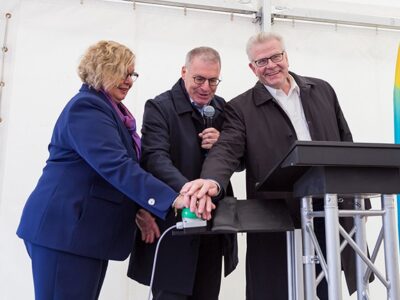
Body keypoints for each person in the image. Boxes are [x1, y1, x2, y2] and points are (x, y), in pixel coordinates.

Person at [182, 32, 365, 300]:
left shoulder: (322, 89)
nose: (270, 65)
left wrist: (354, 185)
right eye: (261, 61)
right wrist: (211, 181)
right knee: (276, 286)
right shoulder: (240, 107)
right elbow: (227, 149)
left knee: (327, 284)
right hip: (278, 210)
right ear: (251, 67)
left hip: (329, 205)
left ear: (286, 56)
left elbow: (345, 140)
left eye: (275, 57)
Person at [16, 40, 195, 300]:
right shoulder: (86, 108)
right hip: (64, 231)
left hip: (84, 235)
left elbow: (117, 170)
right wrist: (173, 198)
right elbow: (115, 165)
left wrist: (140, 210)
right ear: (101, 70)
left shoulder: (113, 111)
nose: (129, 80)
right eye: (122, 72)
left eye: (132, 73)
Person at [127, 47, 238, 300]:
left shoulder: (223, 110)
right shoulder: (160, 107)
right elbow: (155, 158)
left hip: (213, 227)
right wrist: (191, 192)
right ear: (184, 72)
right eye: (199, 79)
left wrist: (223, 144)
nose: (206, 87)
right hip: (174, 223)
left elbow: (239, 160)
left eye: (213, 81)